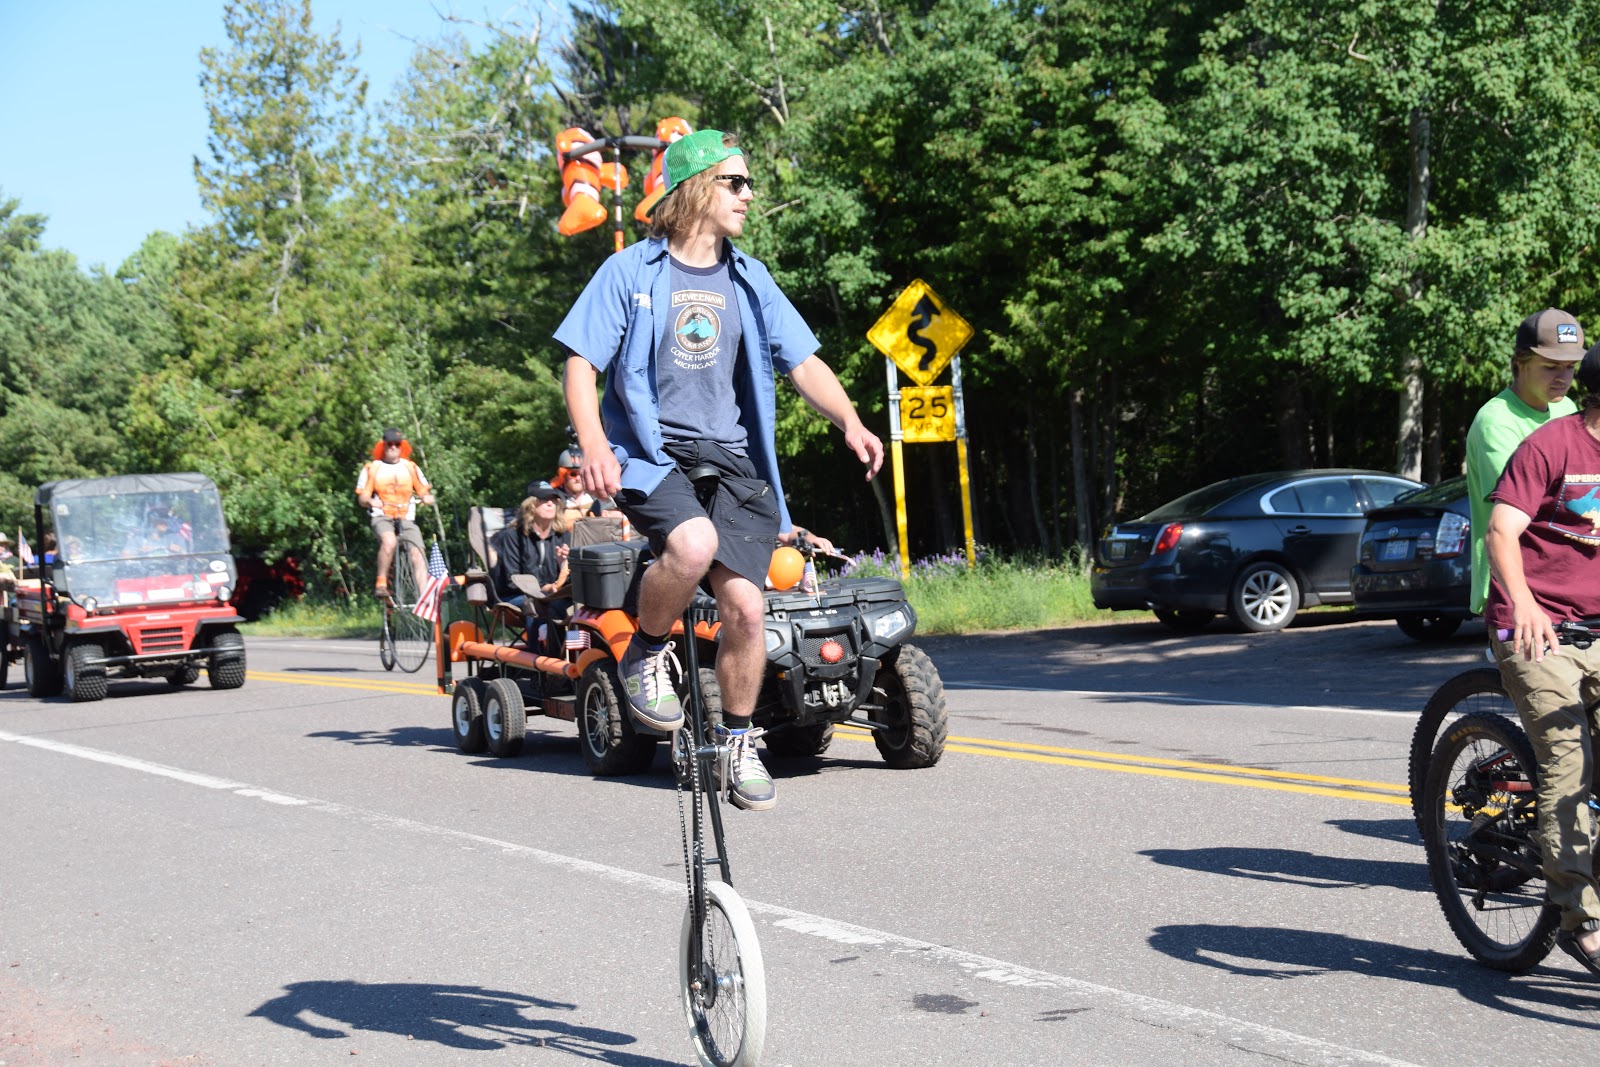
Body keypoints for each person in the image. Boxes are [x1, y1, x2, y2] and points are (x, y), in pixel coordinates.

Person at [556, 127, 884, 812]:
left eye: (748, 183)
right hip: (655, 455)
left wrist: (850, 419)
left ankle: (739, 741)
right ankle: (645, 649)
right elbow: (581, 361)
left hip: (732, 462)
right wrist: (591, 443)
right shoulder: (631, 273)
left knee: (745, 606)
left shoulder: (749, 279)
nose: (748, 194)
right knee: (692, 544)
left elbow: (803, 363)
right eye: (735, 182)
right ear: (698, 187)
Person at [1483, 333, 1600, 979]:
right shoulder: (1549, 445)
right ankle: (1578, 916)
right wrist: (1524, 604)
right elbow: (1502, 529)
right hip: (1539, 627)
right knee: (1568, 766)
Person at [1466, 308, 1583, 616]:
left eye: (1570, 367)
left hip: (1563, 585)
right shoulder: (1497, 421)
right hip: (1517, 588)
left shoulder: (1565, 408)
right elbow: (1523, 510)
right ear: (1520, 363)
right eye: (1550, 367)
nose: (1563, 377)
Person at [355, 428, 436, 599]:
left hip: (405, 516)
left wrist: (427, 498)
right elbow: (362, 498)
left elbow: (423, 491)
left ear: (402, 446)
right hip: (382, 515)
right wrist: (370, 501)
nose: (393, 447)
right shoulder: (372, 468)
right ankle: (381, 583)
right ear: (383, 446)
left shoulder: (410, 467)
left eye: (397, 444)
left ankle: (425, 597)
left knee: (418, 551)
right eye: (389, 444)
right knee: (389, 541)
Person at [490, 482, 572, 648]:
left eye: (554, 500)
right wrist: (544, 588)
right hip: (513, 595)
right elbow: (512, 579)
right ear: (531, 505)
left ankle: (562, 657)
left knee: (570, 603)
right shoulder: (513, 536)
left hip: (552, 594)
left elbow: (569, 577)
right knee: (534, 603)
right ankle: (538, 662)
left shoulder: (563, 535)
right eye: (545, 499)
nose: (551, 503)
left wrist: (562, 563)